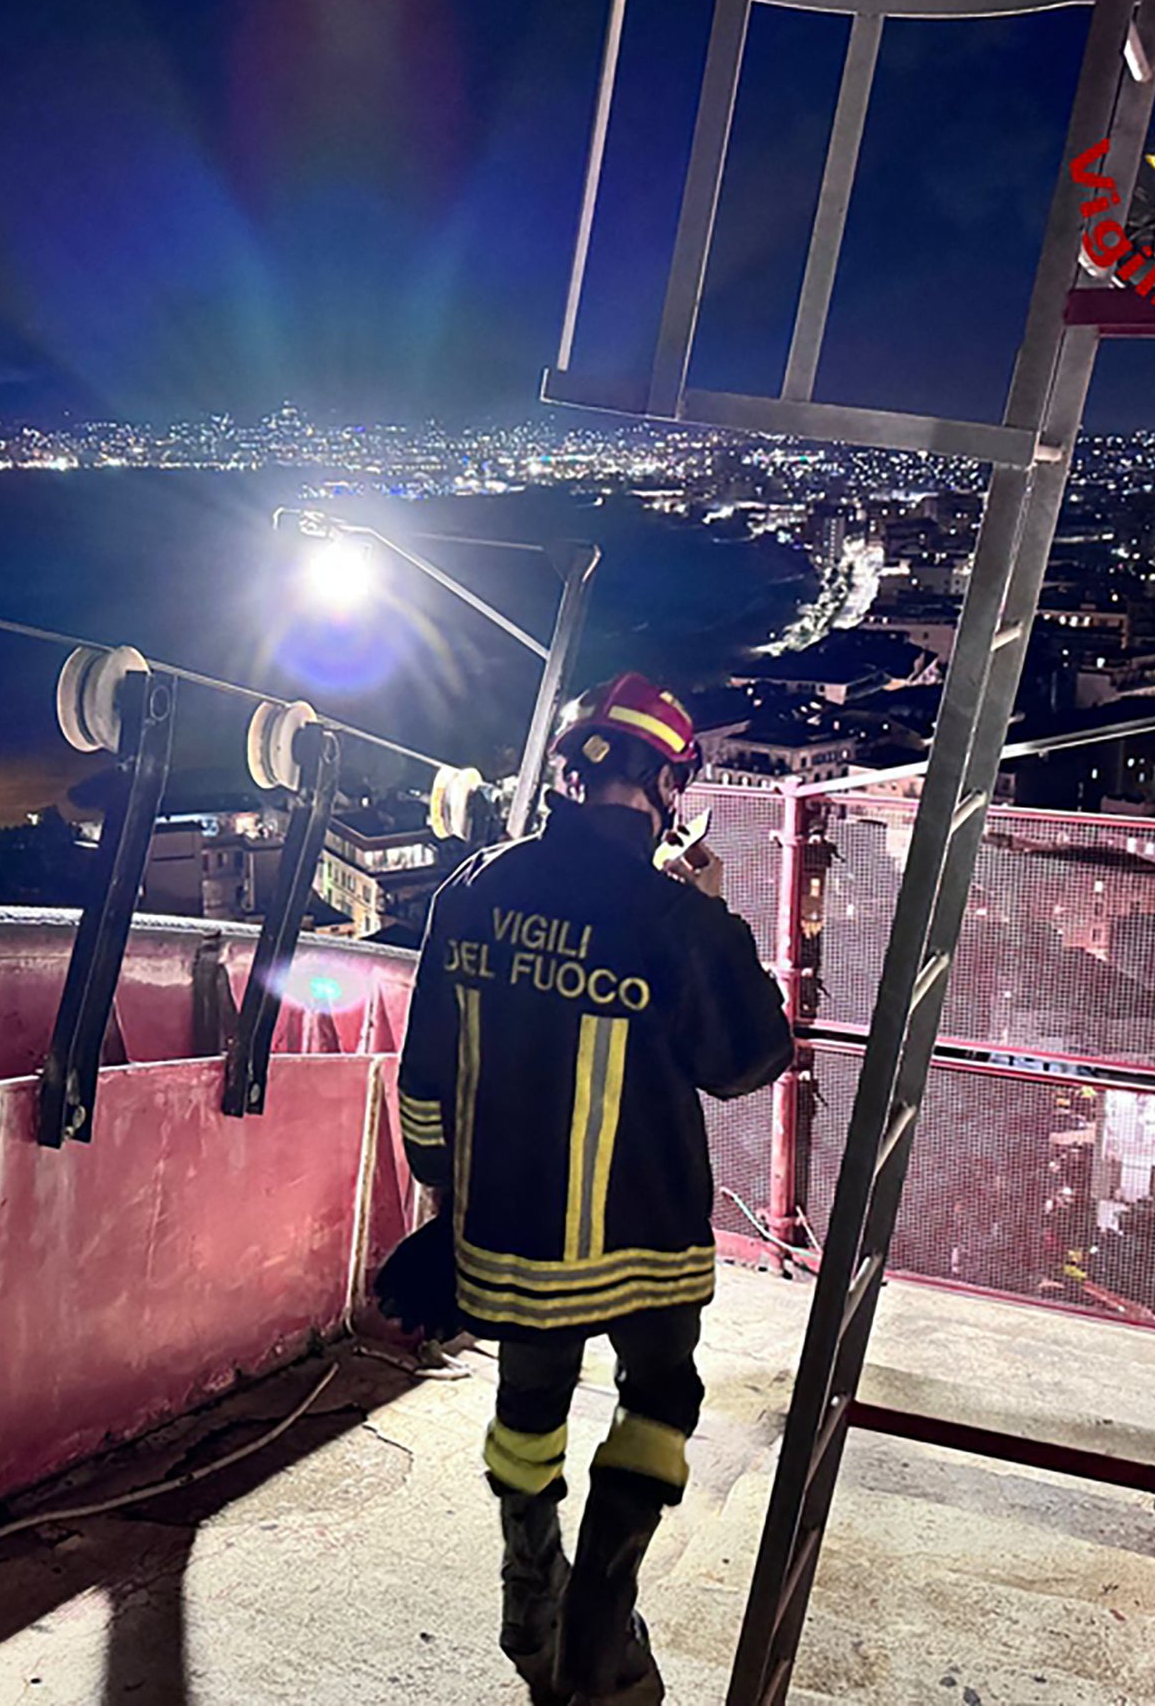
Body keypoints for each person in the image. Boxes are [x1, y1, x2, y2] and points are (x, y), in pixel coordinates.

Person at [396, 672, 793, 1705]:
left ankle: (530, 1581)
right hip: (647, 1245)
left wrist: (448, 1205)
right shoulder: (674, 918)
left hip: (504, 1238)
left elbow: (424, 1079)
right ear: (668, 784)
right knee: (656, 1407)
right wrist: (718, 920)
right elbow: (748, 1060)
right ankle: (597, 1633)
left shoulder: (472, 889)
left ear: (570, 771)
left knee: (526, 1410)